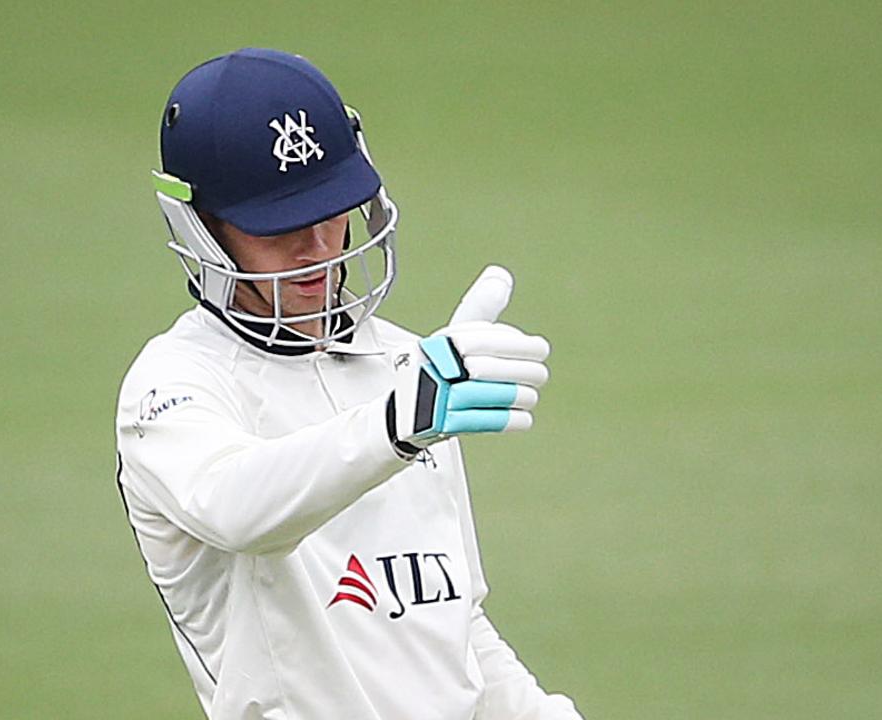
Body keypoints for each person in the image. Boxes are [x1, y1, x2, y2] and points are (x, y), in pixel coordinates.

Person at [115, 48, 584, 720]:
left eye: (332, 208)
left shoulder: (412, 368)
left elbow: (455, 630)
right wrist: (398, 423)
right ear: (203, 227)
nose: (317, 245)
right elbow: (238, 508)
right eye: (276, 225)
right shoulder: (171, 387)